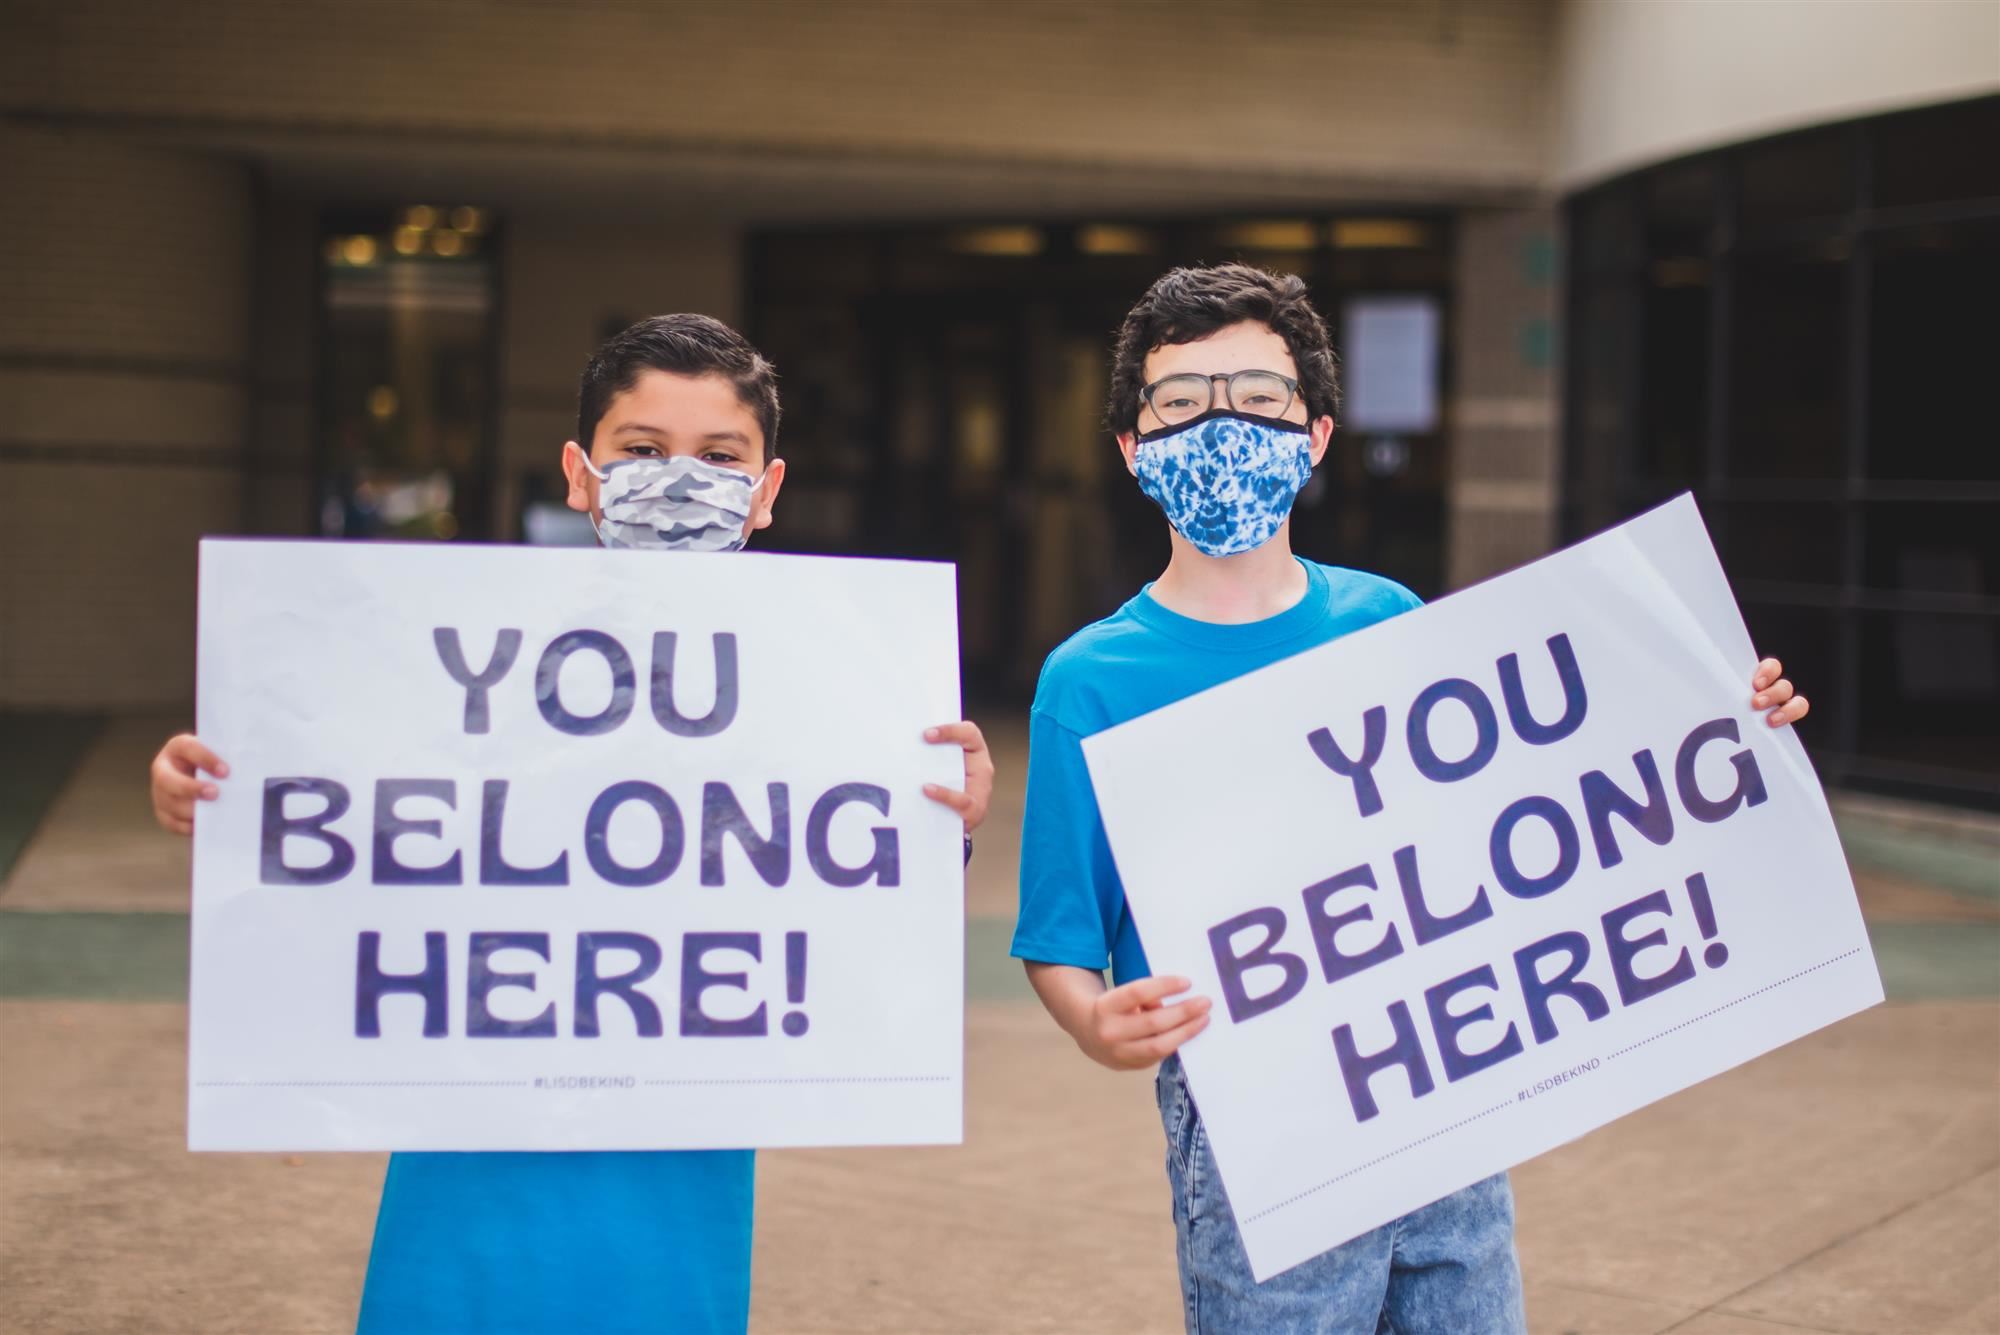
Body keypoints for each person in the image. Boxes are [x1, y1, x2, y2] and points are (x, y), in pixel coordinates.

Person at [150, 314, 995, 1335]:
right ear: (579, 473)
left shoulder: (823, 676)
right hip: (476, 1084)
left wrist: (934, 825)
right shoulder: (453, 641)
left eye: (718, 456)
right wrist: (226, 790)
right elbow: (353, 806)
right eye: (640, 451)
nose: (678, 478)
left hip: (684, 1100)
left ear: (765, 488)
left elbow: (828, 889)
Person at [1009, 264, 1809, 1333]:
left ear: (1316, 434)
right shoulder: (1087, 681)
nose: (1220, 428)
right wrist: (1090, 1022)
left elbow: (1536, 807)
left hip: (1444, 1102)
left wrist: (1720, 721)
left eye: (1256, 399)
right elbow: (1058, 934)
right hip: (1261, 1118)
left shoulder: (1389, 621)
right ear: (1130, 446)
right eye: (1181, 402)